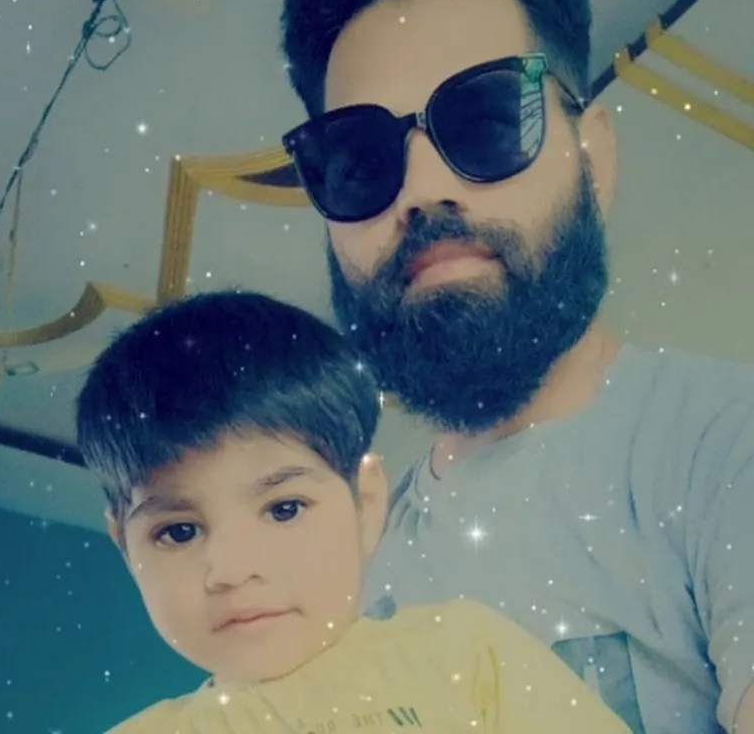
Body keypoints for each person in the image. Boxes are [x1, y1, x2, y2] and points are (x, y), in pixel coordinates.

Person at [277, 0, 754, 732]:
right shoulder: (345, 569)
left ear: (594, 158)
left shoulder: (729, 448)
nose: (422, 188)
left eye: (489, 119)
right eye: (359, 160)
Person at [76, 291, 629, 733]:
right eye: (178, 532)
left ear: (366, 503)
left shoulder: (465, 652)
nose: (233, 569)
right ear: (126, 548)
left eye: (284, 509)